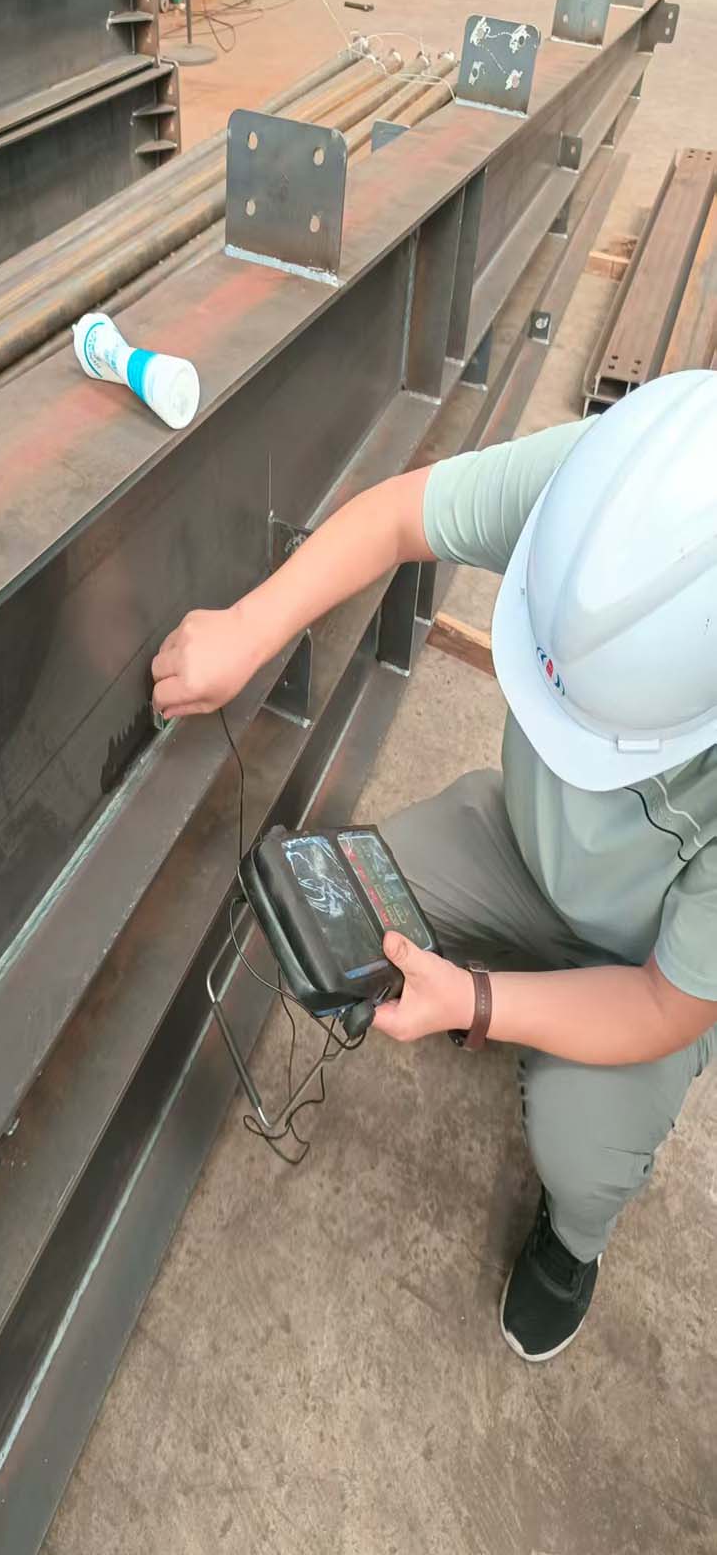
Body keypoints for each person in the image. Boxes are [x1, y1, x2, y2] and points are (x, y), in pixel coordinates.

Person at [152, 367, 717, 1364]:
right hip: (515, 846)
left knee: (580, 1148)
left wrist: (476, 1003)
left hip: (646, 966)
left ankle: (572, 1243)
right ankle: (508, 973)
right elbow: (396, 517)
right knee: (345, 910)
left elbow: (664, 1006)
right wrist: (250, 628)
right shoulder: (615, 493)